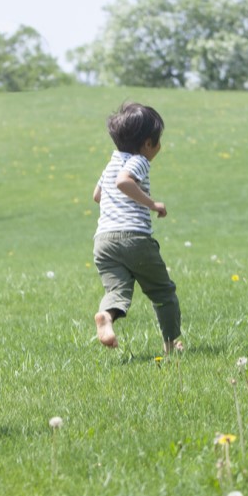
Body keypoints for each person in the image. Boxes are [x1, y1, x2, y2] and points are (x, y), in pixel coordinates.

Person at [90, 102, 183, 355]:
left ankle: (106, 318)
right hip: (134, 238)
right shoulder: (139, 160)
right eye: (158, 141)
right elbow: (124, 182)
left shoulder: (111, 162)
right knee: (163, 293)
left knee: (117, 289)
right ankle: (171, 345)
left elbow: (97, 195)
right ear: (147, 144)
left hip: (103, 241)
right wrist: (151, 203)